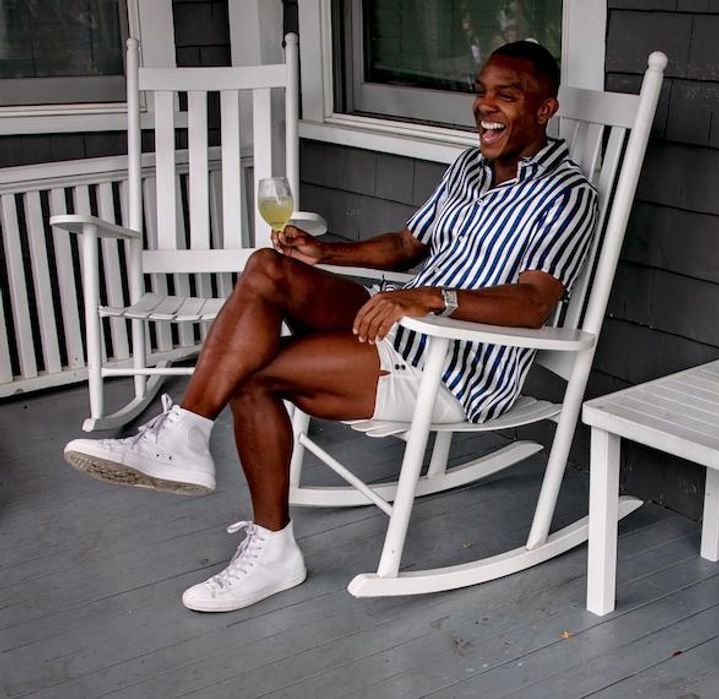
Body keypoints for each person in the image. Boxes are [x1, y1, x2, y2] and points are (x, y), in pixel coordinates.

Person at [63, 40, 598, 613]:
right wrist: (325, 254)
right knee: (270, 267)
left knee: (252, 375)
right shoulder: (469, 166)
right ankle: (187, 431)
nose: (485, 106)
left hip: (454, 365)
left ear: (545, 110)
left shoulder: (568, 196)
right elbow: (403, 245)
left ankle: (270, 551)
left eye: (507, 96)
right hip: (392, 323)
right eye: (482, 92)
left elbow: (530, 304)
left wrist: (431, 299)